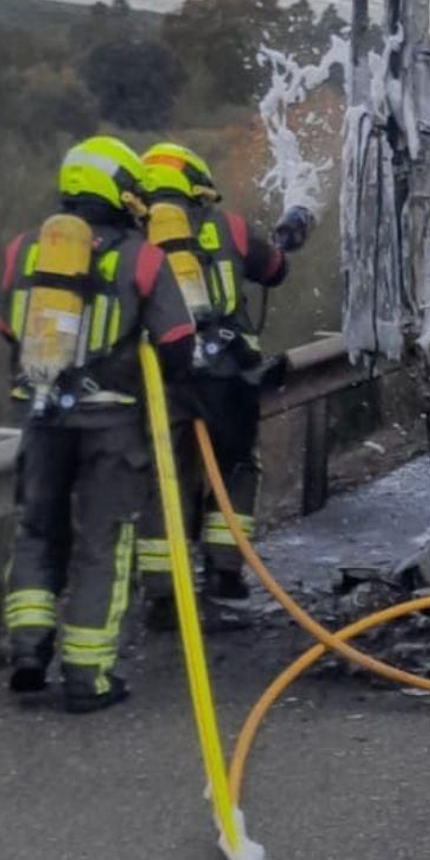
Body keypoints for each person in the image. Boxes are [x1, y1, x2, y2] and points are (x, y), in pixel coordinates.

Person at [0, 135, 195, 712]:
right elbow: (178, 341)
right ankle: (88, 676)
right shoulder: (144, 258)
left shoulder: (25, 249)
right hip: (112, 424)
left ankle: (28, 650)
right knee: (103, 542)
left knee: (37, 529)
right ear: (121, 192)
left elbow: (5, 325)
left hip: (42, 417)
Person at [134, 142, 306, 625]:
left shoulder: (134, 238)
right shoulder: (228, 227)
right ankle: (225, 573)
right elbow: (275, 270)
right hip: (227, 377)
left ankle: (162, 594)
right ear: (198, 185)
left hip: (163, 377)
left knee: (165, 479)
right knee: (235, 467)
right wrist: (287, 236)